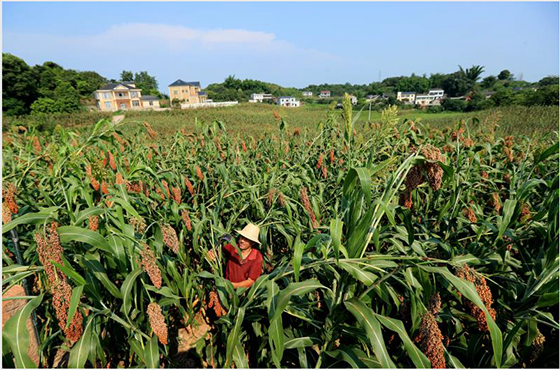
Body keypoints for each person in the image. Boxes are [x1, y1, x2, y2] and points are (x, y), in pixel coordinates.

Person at [207, 223, 263, 288]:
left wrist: (231, 285)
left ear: (253, 242)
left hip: (243, 293)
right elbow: (217, 252)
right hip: (226, 289)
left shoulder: (257, 257)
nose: (242, 241)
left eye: (246, 239)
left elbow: (251, 281)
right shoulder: (233, 247)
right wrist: (211, 253)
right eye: (242, 237)